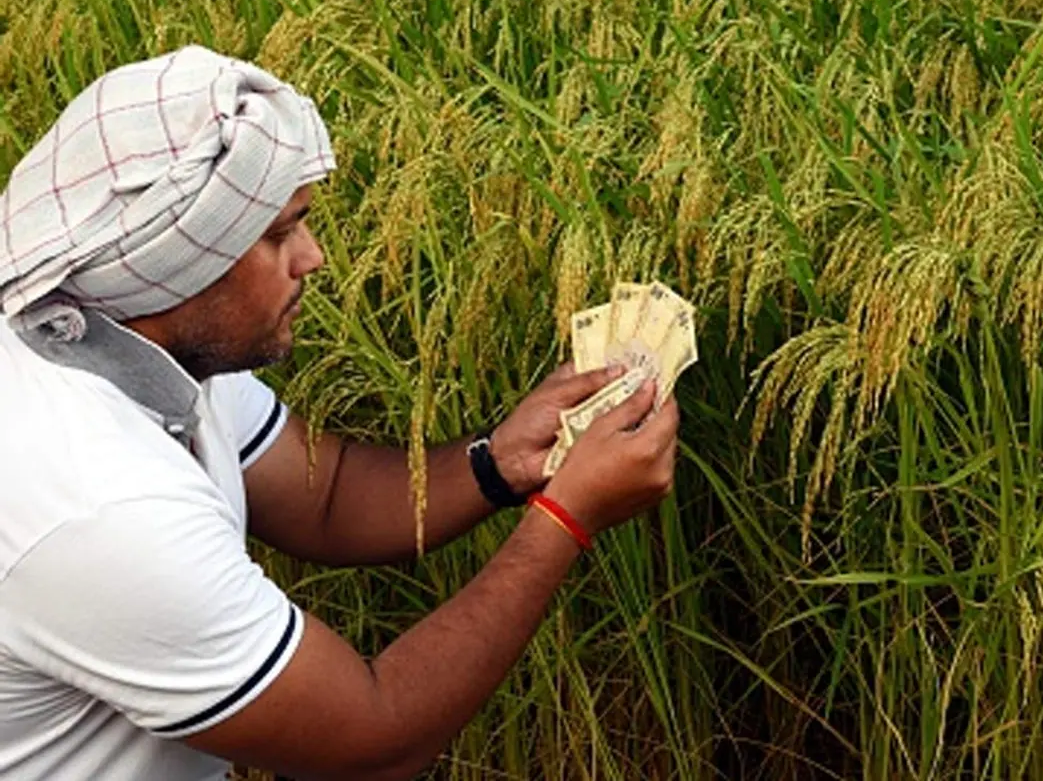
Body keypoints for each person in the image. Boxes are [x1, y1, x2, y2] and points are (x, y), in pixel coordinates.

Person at [0, 46, 680, 781]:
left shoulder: (123, 329)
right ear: (177, 263)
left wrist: (500, 462)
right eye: (278, 234)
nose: (313, 257)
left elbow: (325, 497)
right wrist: (566, 520)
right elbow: (374, 741)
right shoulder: (99, 505)